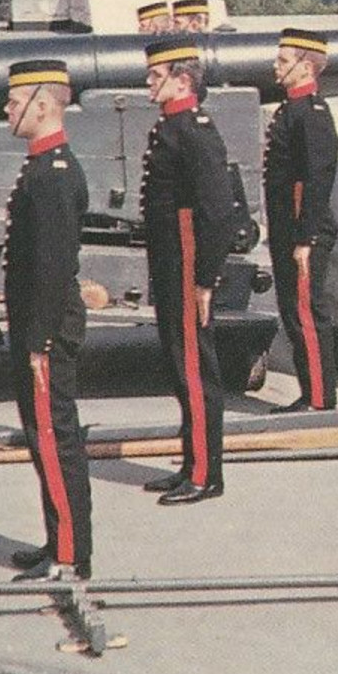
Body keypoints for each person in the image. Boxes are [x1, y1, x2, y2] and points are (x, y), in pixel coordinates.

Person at [1, 58, 94, 581]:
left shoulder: (53, 175)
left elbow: (54, 269)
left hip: (47, 331)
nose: (7, 109)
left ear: (41, 105)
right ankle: (59, 539)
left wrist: (38, 338)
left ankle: (69, 556)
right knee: (45, 439)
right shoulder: (42, 166)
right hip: (39, 326)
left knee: (55, 440)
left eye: (15, 103)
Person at [138, 34, 233, 505]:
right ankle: (190, 463)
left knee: (196, 370)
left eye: (156, 77)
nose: (148, 84)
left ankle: (205, 475)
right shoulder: (171, 127)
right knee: (182, 366)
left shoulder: (193, 131)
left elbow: (218, 212)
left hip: (189, 262)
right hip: (173, 260)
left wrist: (204, 280)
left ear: (181, 79)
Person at [263, 29, 338, 413]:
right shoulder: (291, 109)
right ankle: (311, 392)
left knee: (307, 313)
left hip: (302, 232)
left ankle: (319, 400)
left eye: (282, 60)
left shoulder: (310, 114)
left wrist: (305, 238)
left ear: (305, 65)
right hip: (289, 230)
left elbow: (317, 178)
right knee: (294, 311)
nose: (275, 67)